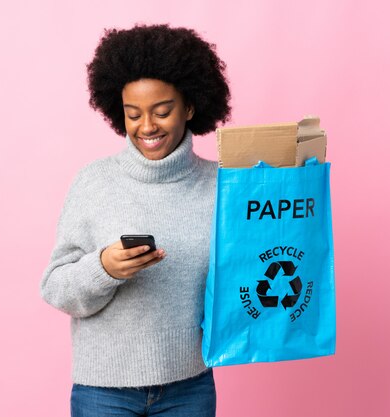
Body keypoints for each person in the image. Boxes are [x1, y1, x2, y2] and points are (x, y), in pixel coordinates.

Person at [40, 23, 231, 416]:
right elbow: (55, 288)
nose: (147, 126)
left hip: (190, 387)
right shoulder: (94, 182)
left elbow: (247, 273)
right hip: (102, 391)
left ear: (190, 107)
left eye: (162, 111)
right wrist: (103, 268)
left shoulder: (221, 186)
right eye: (133, 114)